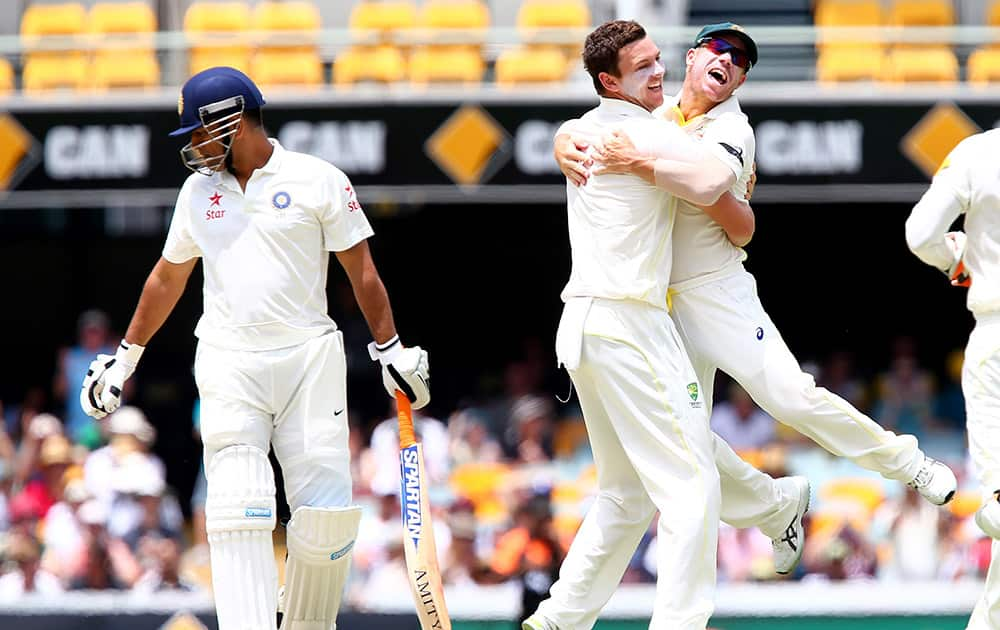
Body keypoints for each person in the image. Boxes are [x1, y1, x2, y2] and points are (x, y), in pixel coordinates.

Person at [553, 20, 956, 582]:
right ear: (692, 58)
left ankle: (908, 463)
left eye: (742, 62)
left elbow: (728, 212)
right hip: (656, 307)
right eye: (720, 50)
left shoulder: (733, 129)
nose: (731, 62)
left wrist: (640, 164)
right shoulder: (654, 113)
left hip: (715, 292)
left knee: (791, 397)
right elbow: (588, 124)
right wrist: (562, 141)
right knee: (686, 440)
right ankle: (776, 507)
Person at [78, 66, 430, 630]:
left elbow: (360, 270)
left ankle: (308, 623)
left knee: (327, 516)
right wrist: (125, 357)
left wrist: (390, 348)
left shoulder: (319, 179)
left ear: (232, 122)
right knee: (237, 503)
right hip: (228, 360)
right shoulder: (199, 192)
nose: (192, 146)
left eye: (198, 132)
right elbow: (167, 278)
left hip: (309, 359)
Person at [526, 20, 763, 629]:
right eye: (642, 68)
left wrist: (560, 138)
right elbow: (714, 181)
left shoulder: (589, 128)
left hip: (583, 327)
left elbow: (577, 130)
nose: (659, 74)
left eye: (659, 59)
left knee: (626, 496)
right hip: (630, 323)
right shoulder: (642, 130)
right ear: (610, 81)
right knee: (692, 486)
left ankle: (557, 620)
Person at [905, 129, 1000, 629]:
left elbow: (921, 234)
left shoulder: (978, 152)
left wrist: (955, 260)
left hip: (996, 335)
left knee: (998, 507)